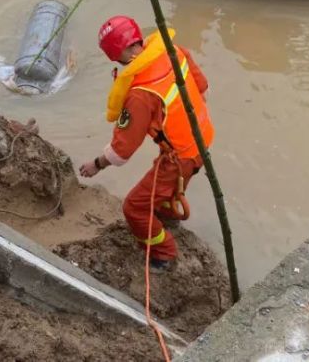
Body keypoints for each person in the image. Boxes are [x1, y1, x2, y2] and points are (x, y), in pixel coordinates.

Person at [79, 16, 215, 269]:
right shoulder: (175, 52)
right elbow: (203, 87)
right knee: (164, 188)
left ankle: (163, 254)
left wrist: (97, 164)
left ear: (115, 55)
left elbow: (122, 151)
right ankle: (168, 217)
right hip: (202, 138)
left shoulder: (140, 95)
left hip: (180, 157)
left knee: (134, 208)